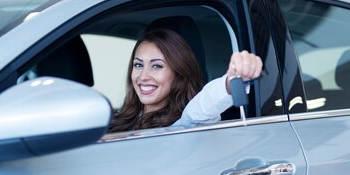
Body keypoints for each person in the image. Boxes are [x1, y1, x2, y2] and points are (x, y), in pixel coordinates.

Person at [109, 28, 263, 132]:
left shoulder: (184, 125)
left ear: (179, 73)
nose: (143, 76)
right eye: (138, 64)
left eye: (156, 66)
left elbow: (205, 105)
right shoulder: (116, 119)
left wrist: (232, 80)